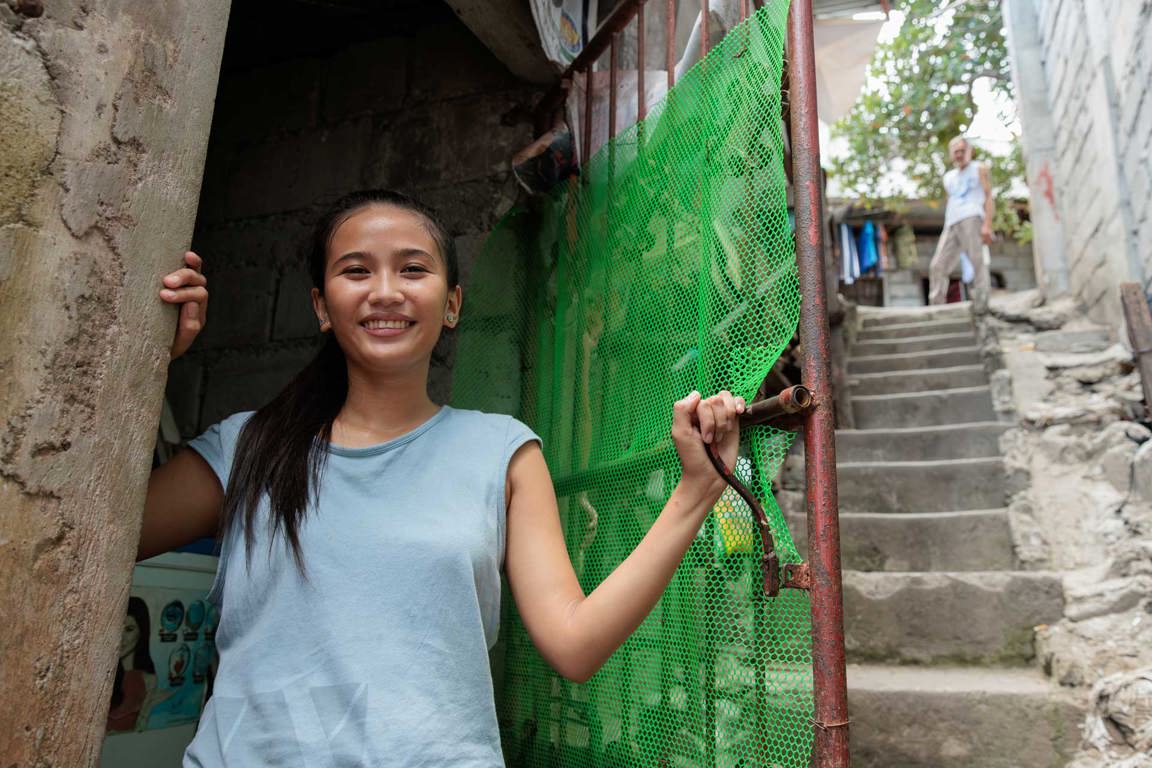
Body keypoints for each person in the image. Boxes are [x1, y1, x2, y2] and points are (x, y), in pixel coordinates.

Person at [144, 189, 745, 766]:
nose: (384, 292)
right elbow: (91, 538)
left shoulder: (501, 451)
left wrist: (695, 494)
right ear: (322, 307)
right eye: (356, 271)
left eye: (412, 270)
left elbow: (575, 643)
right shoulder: (247, 448)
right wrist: (148, 360)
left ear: (452, 303)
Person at [928, 136, 995, 312]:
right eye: (955, 151)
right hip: (951, 222)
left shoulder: (979, 168)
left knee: (977, 262)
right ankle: (937, 307)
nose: (959, 154)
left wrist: (987, 225)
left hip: (972, 218)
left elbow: (988, 196)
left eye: (962, 151)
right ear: (951, 154)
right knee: (937, 265)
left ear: (969, 151)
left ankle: (982, 304)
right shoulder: (948, 177)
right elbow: (952, 201)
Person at [107, 597, 158, 732]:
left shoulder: (148, 680)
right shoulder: (105, 674)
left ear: (142, 632)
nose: (121, 637)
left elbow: (141, 726)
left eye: (129, 629)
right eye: (118, 628)